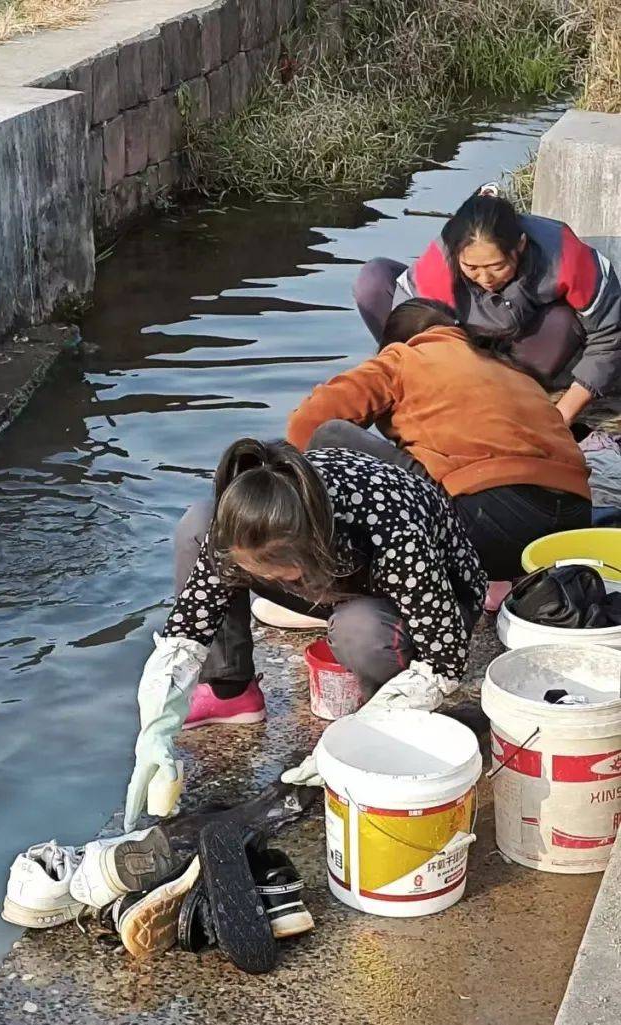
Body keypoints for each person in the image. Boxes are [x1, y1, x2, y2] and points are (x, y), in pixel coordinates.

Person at [125, 440, 486, 827]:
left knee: (360, 631)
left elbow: (444, 661)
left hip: (439, 597)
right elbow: (190, 623)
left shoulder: (394, 535)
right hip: (336, 576)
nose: (250, 579)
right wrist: (157, 726)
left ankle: (382, 709)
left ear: (310, 555)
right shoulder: (251, 520)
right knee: (198, 522)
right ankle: (230, 687)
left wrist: (356, 735)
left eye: (273, 574)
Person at [286, 298, 591, 581]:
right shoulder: (509, 366)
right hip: (573, 523)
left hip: (489, 527)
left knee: (329, 435)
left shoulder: (403, 357)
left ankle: (326, 560)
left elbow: (307, 423)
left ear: (393, 342)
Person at [353, 186, 621, 425]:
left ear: (520, 246)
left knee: (562, 320)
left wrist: (564, 413)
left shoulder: (564, 255)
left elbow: (609, 336)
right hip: (468, 343)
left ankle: (520, 394)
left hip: (531, 346)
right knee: (375, 279)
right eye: (471, 267)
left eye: (497, 266)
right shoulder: (438, 266)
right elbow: (408, 338)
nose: (485, 279)